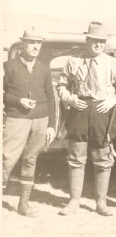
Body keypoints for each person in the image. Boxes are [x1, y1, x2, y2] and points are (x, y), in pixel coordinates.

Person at [56, 22, 116, 216]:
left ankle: (101, 203)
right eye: (95, 40)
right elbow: (61, 86)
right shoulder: (74, 61)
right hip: (79, 111)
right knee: (76, 157)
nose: (98, 44)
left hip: (102, 112)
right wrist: (70, 99)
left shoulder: (112, 64)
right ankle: (73, 201)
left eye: (102, 41)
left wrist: (113, 100)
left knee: (103, 159)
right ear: (87, 40)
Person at [2, 27, 55, 217]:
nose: (35, 46)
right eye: (31, 42)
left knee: (31, 159)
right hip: (17, 119)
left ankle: (23, 204)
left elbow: (51, 99)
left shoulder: (44, 68)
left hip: (41, 120)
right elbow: (3, 95)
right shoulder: (9, 66)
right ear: (23, 43)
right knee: (6, 159)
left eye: (38, 42)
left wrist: (51, 125)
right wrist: (19, 101)